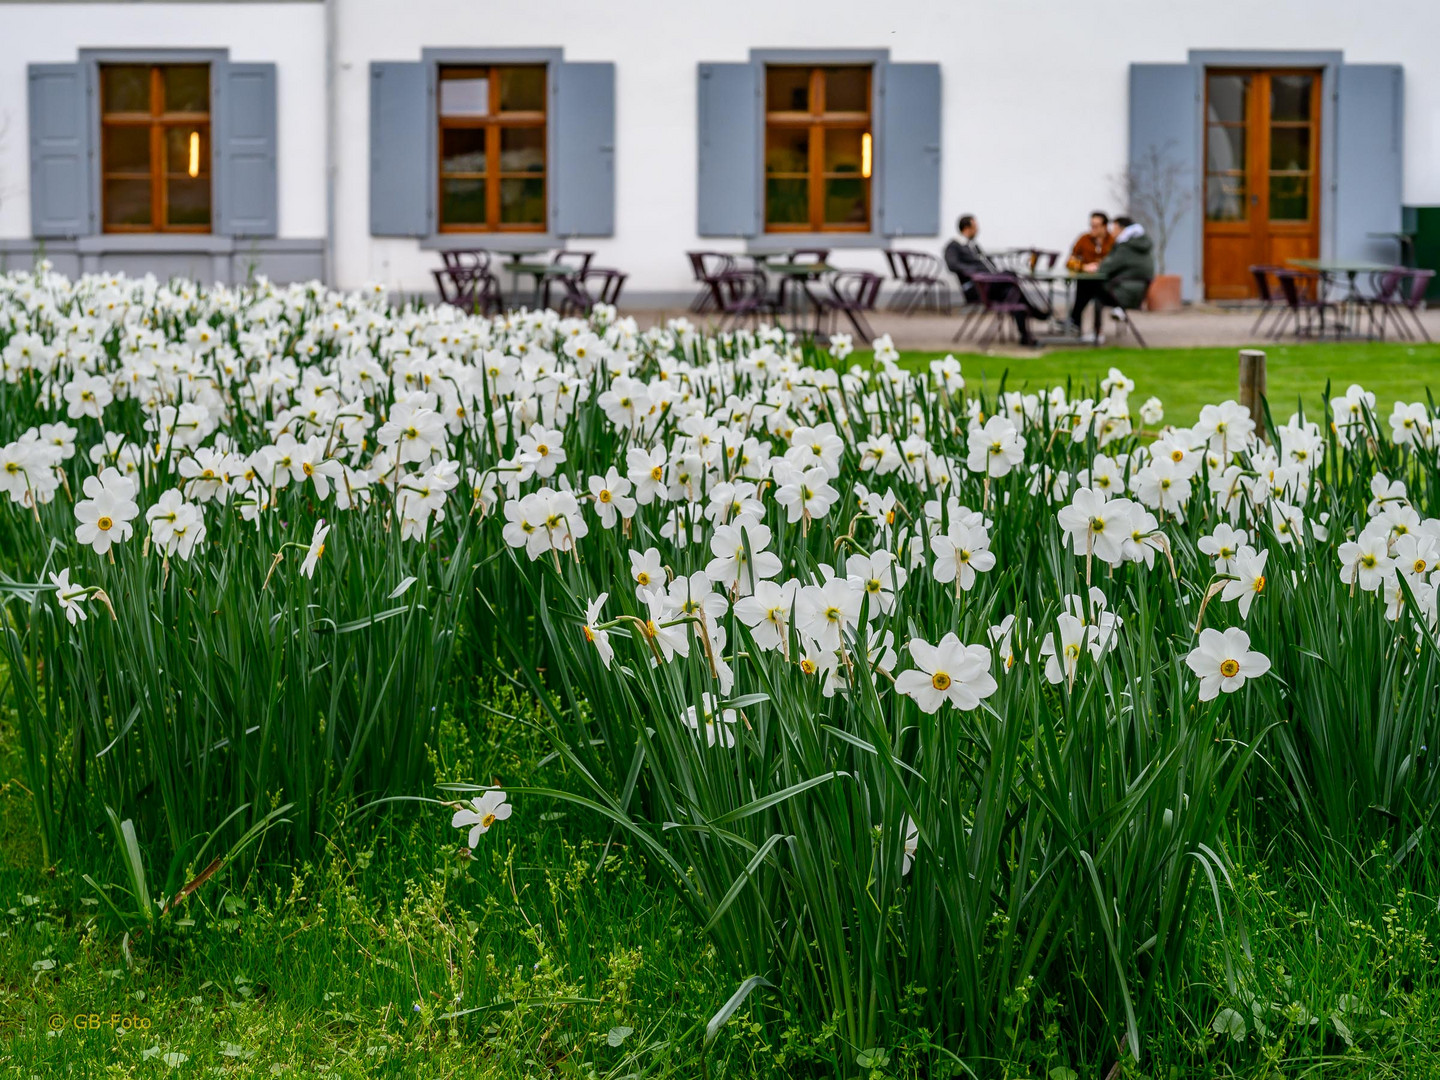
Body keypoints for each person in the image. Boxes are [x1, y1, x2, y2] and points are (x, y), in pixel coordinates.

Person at [944, 215, 1049, 347]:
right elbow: (952, 265)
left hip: (990, 285)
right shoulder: (954, 246)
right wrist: (976, 271)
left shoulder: (973, 245)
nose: (977, 230)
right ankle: (1034, 313)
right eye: (975, 227)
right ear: (967, 228)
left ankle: (1026, 335)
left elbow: (987, 262)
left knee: (1013, 292)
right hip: (976, 287)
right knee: (1010, 276)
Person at [1066, 215, 1155, 340]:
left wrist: (1097, 267)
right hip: (1132, 289)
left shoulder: (1125, 246)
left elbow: (1107, 267)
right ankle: (1075, 322)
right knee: (1087, 284)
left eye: (1115, 229)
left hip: (1124, 291)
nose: (1113, 232)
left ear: (1122, 229)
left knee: (1087, 284)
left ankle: (1079, 324)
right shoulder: (1137, 244)